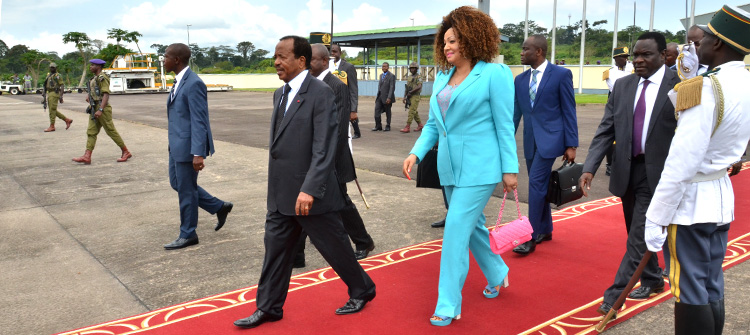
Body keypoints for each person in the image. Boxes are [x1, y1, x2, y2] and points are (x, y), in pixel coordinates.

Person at [233, 36, 376, 330]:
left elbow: (325, 145)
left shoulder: (321, 93)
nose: (276, 62)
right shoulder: (279, 94)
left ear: (301, 61)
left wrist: (310, 188)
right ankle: (269, 307)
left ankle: (362, 288)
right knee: (275, 252)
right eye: (275, 56)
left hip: (311, 195)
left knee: (334, 248)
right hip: (281, 194)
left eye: (283, 57)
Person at [402, 6, 518, 326]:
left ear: (470, 39)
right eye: (445, 42)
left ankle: (448, 303)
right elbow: (432, 126)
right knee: (473, 227)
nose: (447, 47)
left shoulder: (494, 74)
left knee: (455, 230)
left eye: (453, 41)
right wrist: (416, 153)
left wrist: (510, 170)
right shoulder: (442, 77)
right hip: (449, 168)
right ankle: (497, 272)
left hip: (481, 169)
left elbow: (504, 125)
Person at [644, 6, 750, 334]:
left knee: (688, 290)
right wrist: (688, 80)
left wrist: (657, 216)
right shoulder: (741, 81)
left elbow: (681, 160)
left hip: (691, 203)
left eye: (703, 39)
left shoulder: (706, 87)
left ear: (717, 45)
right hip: (719, 195)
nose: (697, 45)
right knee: (711, 284)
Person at [579, 32, 679, 316]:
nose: (638, 60)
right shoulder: (623, 86)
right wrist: (590, 168)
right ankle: (651, 278)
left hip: (657, 173)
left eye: (646, 55)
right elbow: (605, 129)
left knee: (638, 236)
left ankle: (614, 297)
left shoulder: (681, 86)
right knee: (636, 230)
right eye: (636, 55)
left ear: (663, 56)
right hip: (626, 170)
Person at [293, 44, 376, 267]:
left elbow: (337, 128)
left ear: (324, 62)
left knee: (341, 203)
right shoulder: (307, 85)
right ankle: (297, 252)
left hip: (332, 158)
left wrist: (323, 159)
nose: (306, 64)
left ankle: (363, 241)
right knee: (305, 202)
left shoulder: (336, 85)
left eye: (310, 60)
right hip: (314, 157)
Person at [159, 44, 232, 250]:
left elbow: (200, 121)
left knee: (186, 191)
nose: (163, 60)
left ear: (177, 60)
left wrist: (198, 153)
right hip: (176, 146)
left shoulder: (193, 84)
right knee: (178, 184)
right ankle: (218, 206)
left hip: (188, 148)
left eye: (166, 56)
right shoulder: (179, 82)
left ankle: (188, 233)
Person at [512, 34, 578, 255]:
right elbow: (515, 115)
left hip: (552, 140)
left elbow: (569, 110)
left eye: (525, 49)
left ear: (538, 51)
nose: (521, 53)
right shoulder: (520, 81)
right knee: (538, 185)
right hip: (530, 141)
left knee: (535, 185)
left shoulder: (560, 75)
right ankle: (546, 229)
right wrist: (505, 140)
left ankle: (529, 237)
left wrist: (571, 144)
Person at [71, 59, 131, 165]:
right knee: (91, 132)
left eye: (93, 65)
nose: (90, 67)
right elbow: (95, 90)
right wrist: (89, 96)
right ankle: (87, 156)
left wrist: (101, 110)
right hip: (94, 107)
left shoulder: (102, 78)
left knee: (111, 131)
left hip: (102, 108)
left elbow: (106, 94)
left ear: (98, 67)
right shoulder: (95, 78)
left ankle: (126, 151)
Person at [602, 46, 633, 176]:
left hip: (632, 105)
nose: (626, 59)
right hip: (617, 107)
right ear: (616, 58)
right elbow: (618, 88)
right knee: (612, 136)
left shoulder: (633, 68)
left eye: (626, 57)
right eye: (623, 57)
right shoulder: (610, 73)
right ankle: (610, 165)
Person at [330, 44, 361, 139]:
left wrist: (353, 110)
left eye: (335, 51)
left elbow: (353, 89)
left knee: (343, 135)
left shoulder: (348, 67)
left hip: (344, 105)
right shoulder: (326, 66)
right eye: (330, 51)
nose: (332, 54)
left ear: (340, 53)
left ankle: (356, 132)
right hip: (330, 104)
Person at [42, 63, 72, 132]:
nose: (52, 68)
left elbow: (62, 85)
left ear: (56, 68)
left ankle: (52, 126)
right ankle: (67, 120)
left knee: (52, 110)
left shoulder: (57, 75)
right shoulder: (49, 75)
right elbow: (45, 84)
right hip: (49, 93)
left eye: (53, 67)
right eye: (51, 67)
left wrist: (61, 96)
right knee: (52, 110)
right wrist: (44, 92)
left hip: (54, 93)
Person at [400, 61, 424, 133]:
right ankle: (420, 125)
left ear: (416, 69)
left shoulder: (419, 77)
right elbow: (407, 87)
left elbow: (419, 86)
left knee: (411, 111)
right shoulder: (409, 77)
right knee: (414, 111)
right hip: (409, 96)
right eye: (411, 68)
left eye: (414, 68)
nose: (412, 70)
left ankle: (407, 127)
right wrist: (404, 96)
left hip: (415, 96)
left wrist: (411, 92)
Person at [372, 62, 395, 131]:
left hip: (387, 97)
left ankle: (388, 125)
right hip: (379, 97)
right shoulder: (381, 75)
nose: (384, 68)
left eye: (385, 66)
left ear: (388, 67)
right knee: (376, 112)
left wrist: (389, 97)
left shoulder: (391, 76)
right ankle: (378, 126)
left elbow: (392, 87)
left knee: (388, 112)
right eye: (382, 66)